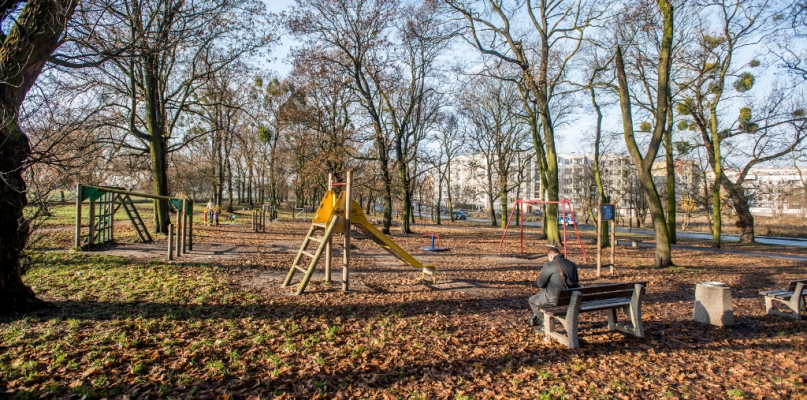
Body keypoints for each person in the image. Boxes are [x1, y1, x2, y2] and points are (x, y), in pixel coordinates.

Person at [528, 246, 580, 332]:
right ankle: (534, 318)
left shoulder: (549, 265)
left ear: (551, 256)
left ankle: (544, 323)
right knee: (540, 298)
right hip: (572, 299)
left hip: (554, 300)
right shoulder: (572, 264)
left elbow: (540, 284)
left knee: (532, 300)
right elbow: (576, 282)